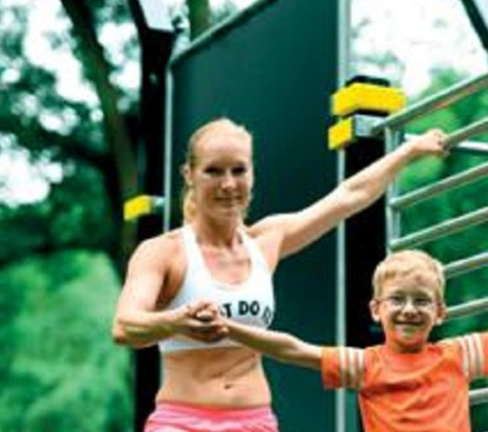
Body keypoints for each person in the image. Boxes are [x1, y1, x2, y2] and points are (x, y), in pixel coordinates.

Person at [111, 118, 447, 432]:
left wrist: (409, 151)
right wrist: (176, 322)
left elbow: (349, 196)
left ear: (252, 173)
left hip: (254, 420)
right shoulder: (163, 252)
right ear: (189, 175)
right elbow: (124, 326)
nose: (228, 184)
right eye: (213, 171)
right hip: (181, 421)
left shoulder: (266, 241)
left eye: (238, 170)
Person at [223, 249, 488, 432]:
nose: (409, 310)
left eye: (421, 301)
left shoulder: (457, 356)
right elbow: (293, 350)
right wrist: (229, 327)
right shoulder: (366, 364)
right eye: (397, 299)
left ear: (440, 313)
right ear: (376, 310)